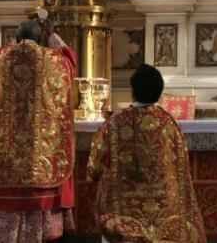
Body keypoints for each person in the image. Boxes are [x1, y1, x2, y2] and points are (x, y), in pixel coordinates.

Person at [0, 20, 76, 242]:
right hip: (39, 148)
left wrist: (17, 40)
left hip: (10, 145)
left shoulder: (4, 56)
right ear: (40, 35)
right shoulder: (53, 59)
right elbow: (71, 60)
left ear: (16, 37)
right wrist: (52, 35)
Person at [87, 64, 206, 243]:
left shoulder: (114, 123)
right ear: (160, 92)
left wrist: (93, 175)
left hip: (124, 216)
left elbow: (95, 166)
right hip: (167, 218)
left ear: (132, 91)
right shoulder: (171, 123)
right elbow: (183, 169)